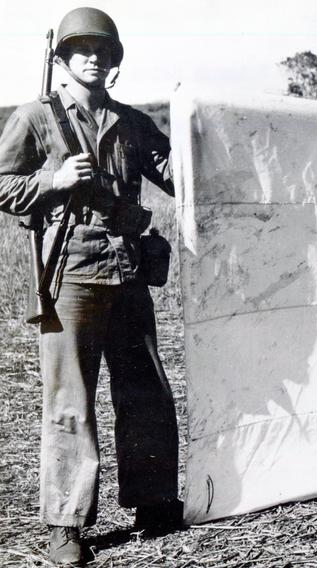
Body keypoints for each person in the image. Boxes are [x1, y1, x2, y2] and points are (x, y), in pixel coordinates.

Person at [0, 7, 180, 564]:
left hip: (127, 271)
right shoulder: (35, 117)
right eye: (82, 51)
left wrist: (205, 140)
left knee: (145, 390)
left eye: (103, 52)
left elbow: (174, 171)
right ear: (62, 60)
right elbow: (3, 184)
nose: (93, 59)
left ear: (115, 62)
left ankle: (152, 502)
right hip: (69, 273)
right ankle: (67, 522)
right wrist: (52, 181)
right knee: (70, 400)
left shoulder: (131, 122)